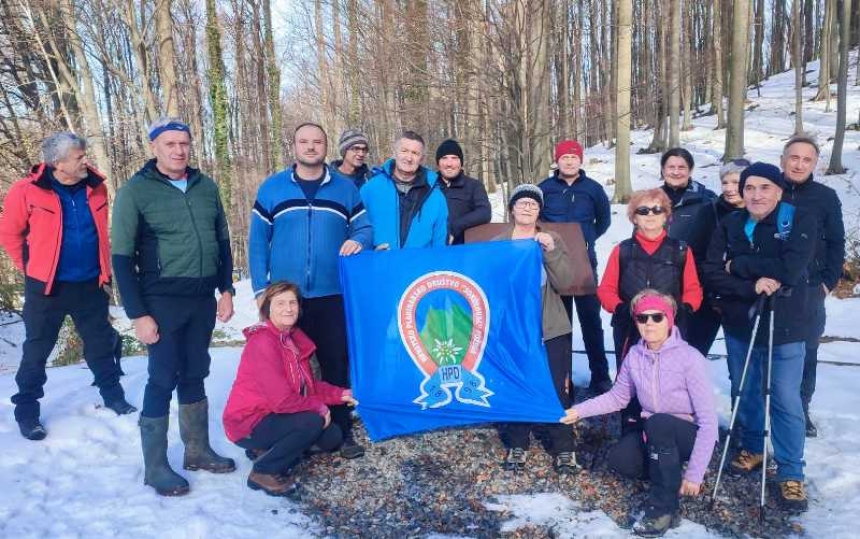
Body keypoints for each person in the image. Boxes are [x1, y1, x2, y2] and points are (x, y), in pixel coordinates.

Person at [112, 117, 236, 496]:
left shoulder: (205, 186)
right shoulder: (136, 191)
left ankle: (197, 451)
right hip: (161, 300)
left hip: (200, 299)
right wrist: (138, 314)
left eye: (183, 143)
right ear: (154, 147)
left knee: (195, 370)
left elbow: (222, 239)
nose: (178, 150)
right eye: (170, 144)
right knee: (163, 376)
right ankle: (155, 466)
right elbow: (120, 257)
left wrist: (226, 289)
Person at [0, 133, 136, 440]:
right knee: (37, 349)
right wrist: (33, 269)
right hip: (47, 289)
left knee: (100, 343)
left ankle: (113, 395)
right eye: (78, 157)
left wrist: (105, 274)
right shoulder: (27, 191)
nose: (85, 160)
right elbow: (9, 235)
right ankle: (27, 411)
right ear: (58, 163)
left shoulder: (95, 187)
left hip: (90, 284)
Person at [248, 122, 372, 459]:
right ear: (295, 146)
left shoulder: (345, 189)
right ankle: (284, 432)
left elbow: (364, 227)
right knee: (283, 366)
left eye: (317, 142)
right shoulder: (273, 188)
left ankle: (342, 431)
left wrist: (356, 240)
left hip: (332, 293)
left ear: (325, 146)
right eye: (304, 142)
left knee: (336, 361)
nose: (311, 147)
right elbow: (258, 242)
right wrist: (262, 290)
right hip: (286, 296)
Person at [703, 162, 816, 511]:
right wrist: (750, 282)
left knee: (784, 397)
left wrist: (736, 265)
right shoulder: (731, 223)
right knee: (746, 389)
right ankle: (752, 447)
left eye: (764, 188)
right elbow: (710, 272)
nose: (755, 195)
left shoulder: (799, 221)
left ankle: (791, 471)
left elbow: (789, 270)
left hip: (787, 326)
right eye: (750, 187)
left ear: (779, 190)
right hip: (741, 322)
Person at [561, 290, 717, 538]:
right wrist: (578, 411)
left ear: (669, 320)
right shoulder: (635, 355)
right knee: (621, 460)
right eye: (642, 318)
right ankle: (666, 472)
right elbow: (617, 397)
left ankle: (663, 507)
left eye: (657, 317)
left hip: (688, 434)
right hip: (655, 432)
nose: (650, 324)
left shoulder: (690, 359)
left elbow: (709, 423)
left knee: (659, 423)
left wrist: (695, 473)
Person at [223, 282, 358, 496]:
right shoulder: (263, 342)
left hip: (274, 416)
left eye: (292, 303)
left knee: (331, 435)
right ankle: (263, 471)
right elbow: (282, 400)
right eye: (280, 303)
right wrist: (321, 409)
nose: (288, 308)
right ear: (268, 308)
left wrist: (341, 394)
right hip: (248, 422)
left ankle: (268, 449)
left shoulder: (292, 338)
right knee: (312, 421)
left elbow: (309, 388)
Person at [597, 188, 703, 432]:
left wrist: (684, 309)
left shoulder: (680, 250)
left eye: (657, 209)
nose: (651, 215)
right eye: (643, 210)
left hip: (668, 329)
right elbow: (606, 289)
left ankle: (669, 435)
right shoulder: (622, 250)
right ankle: (631, 431)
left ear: (667, 215)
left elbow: (694, 289)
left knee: (670, 381)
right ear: (634, 217)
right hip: (630, 328)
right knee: (632, 380)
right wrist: (620, 308)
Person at [495, 184, 578, 474]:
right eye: (522, 203)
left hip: (551, 326)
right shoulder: (500, 243)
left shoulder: (550, 239)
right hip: (515, 329)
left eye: (533, 204)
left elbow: (566, 282)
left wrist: (551, 251)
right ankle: (518, 442)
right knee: (518, 383)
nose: (528, 208)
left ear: (539, 210)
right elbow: (493, 287)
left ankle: (564, 447)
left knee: (557, 386)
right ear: (512, 208)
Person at [780, 136, 845, 438]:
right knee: (771, 349)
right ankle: (767, 405)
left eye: (807, 159)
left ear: (814, 164)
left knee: (807, 351)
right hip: (773, 285)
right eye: (794, 157)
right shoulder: (769, 190)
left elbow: (836, 242)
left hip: (810, 288)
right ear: (784, 159)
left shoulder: (825, 197)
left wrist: (827, 284)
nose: (799, 164)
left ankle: (800, 408)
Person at [538, 139, 612, 394]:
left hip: (584, 265)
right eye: (564, 157)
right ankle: (562, 378)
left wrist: (586, 241)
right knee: (560, 324)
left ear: (581, 160)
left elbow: (603, 221)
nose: (569, 161)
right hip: (554, 266)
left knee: (591, 321)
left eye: (573, 157)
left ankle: (600, 376)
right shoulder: (545, 189)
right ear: (556, 161)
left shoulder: (593, 189)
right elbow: (536, 221)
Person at [659, 148, 719, 357]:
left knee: (692, 349)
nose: (676, 172)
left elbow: (717, 242)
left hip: (696, 281)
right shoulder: (653, 199)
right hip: (660, 282)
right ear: (663, 170)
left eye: (682, 167)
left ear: (691, 170)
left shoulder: (707, 200)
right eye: (671, 167)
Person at [360, 130, 448, 249]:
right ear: (395, 153)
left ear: (422, 158)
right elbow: (358, 231)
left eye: (415, 153)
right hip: (379, 264)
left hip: (420, 266)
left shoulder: (436, 197)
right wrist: (371, 252)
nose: (409, 157)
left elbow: (440, 243)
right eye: (404, 151)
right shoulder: (370, 189)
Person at [434, 139, 491, 244]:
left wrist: (454, 228)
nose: (449, 164)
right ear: (438, 162)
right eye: (444, 158)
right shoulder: (430, 186)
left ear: (461, 162)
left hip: (463, 249)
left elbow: (484, 213)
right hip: (431, 249)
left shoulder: (474, 186)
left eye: (454, 158)